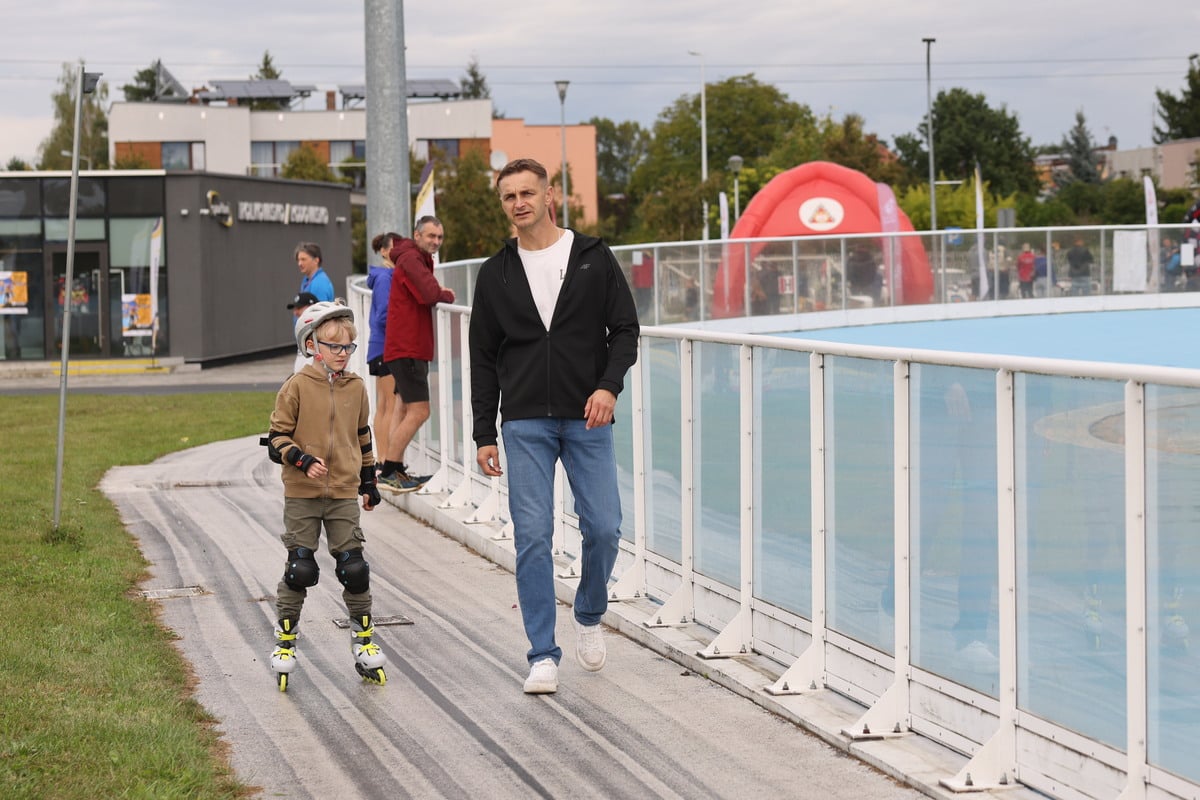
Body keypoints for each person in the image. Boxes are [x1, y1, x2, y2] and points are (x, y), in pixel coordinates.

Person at [469, 158, 640, 694]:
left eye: (527, 192)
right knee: (533, 537)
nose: (518, 203)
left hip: (588, 416)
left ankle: (588, 611)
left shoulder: (592, 256)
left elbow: (625, 330)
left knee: (605, 527)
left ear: (550, 196)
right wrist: (483, 432)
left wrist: (608, 387)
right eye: (509, 196)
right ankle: (542, 653)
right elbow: (482, 357)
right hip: (524, 423)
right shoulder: (495, 273)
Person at [264, 301, 386, 691]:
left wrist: (368, 482)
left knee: (354, 568)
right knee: (300, 567)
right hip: (303, 492)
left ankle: (363, 642)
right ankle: (285, 642)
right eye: (334, 346)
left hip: (343, 492)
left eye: (348, 346)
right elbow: (276, 439)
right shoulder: (296, 386)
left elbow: (362, 436)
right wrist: (301, 460)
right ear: (312, 345)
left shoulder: (356, 387)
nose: (342, 353)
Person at [377, 216, 455, 493]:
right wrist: (446, 295)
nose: (436, 241)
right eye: (431, 236)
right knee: (421, 411)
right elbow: (429, 293)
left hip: (405, 346)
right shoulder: (411, 258)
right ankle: (389, 471)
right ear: (417, 235)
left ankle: (394, 469)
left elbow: (424, 292)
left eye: (439, 237)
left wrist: (438, 291)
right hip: (408, 347)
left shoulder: (413, 257)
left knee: (402, 407)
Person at [367, 232, 402, 465]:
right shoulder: (384, 278)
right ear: (383, 250)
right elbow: (384, 315)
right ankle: (387, 461)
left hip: (381, 347)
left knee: (384, 405)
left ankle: (382, 460)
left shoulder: (386, 276)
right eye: (393, 248)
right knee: (390, 405)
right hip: (385, 347)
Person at [286, 291, 319, 372]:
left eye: (299, 308)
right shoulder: (304, 333)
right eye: (294, 309)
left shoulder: (321, 333)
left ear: (312, 307)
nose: (295, 313)